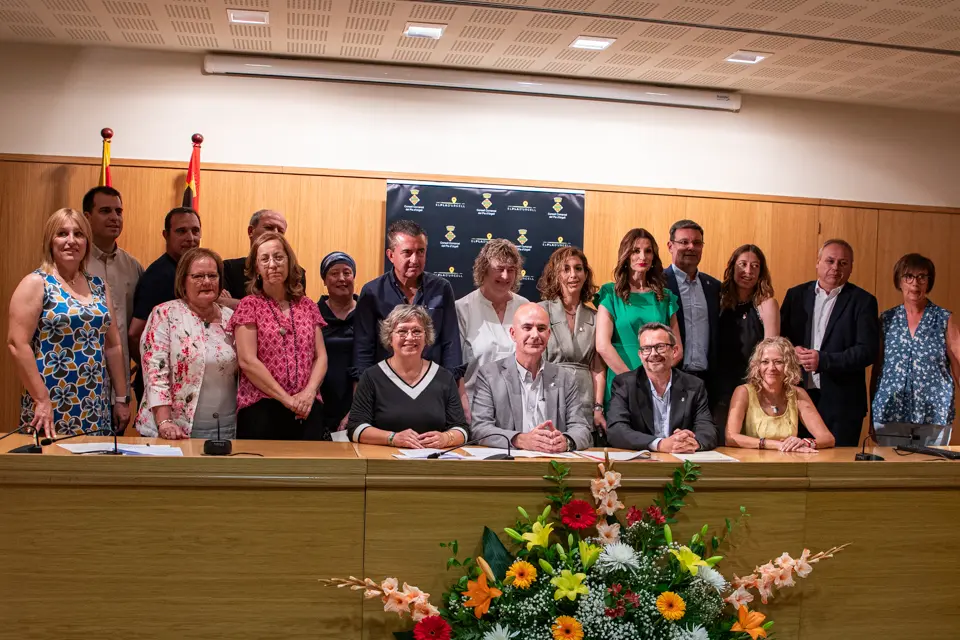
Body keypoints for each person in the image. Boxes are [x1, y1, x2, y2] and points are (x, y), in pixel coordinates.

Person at [7, 209, 130, 437]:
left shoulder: (99, 286)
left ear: (87, 241)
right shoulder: (37, 282)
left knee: (94, 469)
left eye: (79, 234)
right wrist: (41, 399)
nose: (71, 241)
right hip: (49, 402)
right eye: (62, 233)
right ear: (50, 241)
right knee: (51, 470)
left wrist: (122, 398)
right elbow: (17, 344)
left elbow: (112, 345)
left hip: (95, 403)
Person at [228, 232, 328, 440]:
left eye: (278, 257)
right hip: (262, 408)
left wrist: (309, 393)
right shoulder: (249, 306)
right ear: (256, 268)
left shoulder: (307, 305)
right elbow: (247, 361)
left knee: (310, 471)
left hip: (306, 408)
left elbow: (321, 357)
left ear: (289, 262)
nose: (272, 264)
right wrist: (286, 400)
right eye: (264, 259)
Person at [780, 239, 879, 447]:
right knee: (795, 464)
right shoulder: (795, 295)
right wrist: (791, 351)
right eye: (830, 261)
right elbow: (780, 339)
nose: (835, 268)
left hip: (843, 404)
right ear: (818, 263)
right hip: (797, 399)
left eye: (843, 263)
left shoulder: (863, 301)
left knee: (838, 470)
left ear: (851, 267)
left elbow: (867, 351)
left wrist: (823, 360)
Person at [135, 248, 237, 440]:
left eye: (212, 276)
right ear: (183, 280)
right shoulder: (164, 314)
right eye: (198, 276)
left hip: (224, 427)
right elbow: (155, 373)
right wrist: (165, 422)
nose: (206, 281)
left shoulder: (231, 318)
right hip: (172, 429)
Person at [470, 303, 593, 452]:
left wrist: (566, 442)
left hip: (554, 463)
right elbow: (480, 429)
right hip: (509, 466)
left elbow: (581, 429)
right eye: (527, 328)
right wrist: (521, 440)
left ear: (549, 335)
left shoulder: (565, 378)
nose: (535, 335)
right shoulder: (489, 375)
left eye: (541, 329)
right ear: (513, 333)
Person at [353, 219, 461, 385]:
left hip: (433, 385)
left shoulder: (442, 289)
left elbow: (451, 343)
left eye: (420, 252)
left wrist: (453, 390)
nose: (415, 260)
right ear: (391, 255)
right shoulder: (372, 292)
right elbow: (363, 347)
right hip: (386, 385)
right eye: (407, 252)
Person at [346, 305, 468, 448]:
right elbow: (355, 428)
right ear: (390, 338)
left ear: (427, 337)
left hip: (432, 463)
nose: (410, 337)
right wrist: (392, 438)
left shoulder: (444, 377)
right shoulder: (371, 376)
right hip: (383, 462)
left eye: (417, 331)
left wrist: (446, 438)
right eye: (402, 331)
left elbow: (462, 429)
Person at [871, 254, 960, 447]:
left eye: (922, 277)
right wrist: (872, 413)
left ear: (929, 282)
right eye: (908, 276)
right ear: (899, 281)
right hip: (890, 412)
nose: (915, 283)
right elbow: (878, 369)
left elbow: (958, 363)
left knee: (929, 474)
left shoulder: (943, 318)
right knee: (891, 473)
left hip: (934, 413)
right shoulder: (887, 319)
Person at [595, 228, 682, 408]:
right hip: (621, 381)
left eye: (648, 251)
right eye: (636, 251)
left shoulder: (665, 297)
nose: (642, 256)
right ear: (626, 255)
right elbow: (603, 345)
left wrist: (655, 380)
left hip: (659, 385)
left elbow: (677, 349)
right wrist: (633, 382)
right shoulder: (610, 294)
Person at [606, 322, 717, 453]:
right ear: (640, 355)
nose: (653, 353)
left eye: (660, 347)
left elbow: (707, 428)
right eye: (646, 348)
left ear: (674, 351)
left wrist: (694, 443)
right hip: (642, 462)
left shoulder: (694, 385)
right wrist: (659, 444)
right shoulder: (624, 384)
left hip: (682, 459)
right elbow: (616, 430)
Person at [129, 206, 201, 400]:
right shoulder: (158, 276)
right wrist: (153, 367)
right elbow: (135, 334)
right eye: (181, 231)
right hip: (162, 385)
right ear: (165, 235)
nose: (190, 237)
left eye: (195, 231)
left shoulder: (188, 271)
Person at [82, 186, 143, 412]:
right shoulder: (74, 265)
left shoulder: (133, 267)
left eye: (119, 211)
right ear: (87, 217)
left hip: (119, 389)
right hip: (81, 381)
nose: (114, 217)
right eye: (105, 211)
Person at [536, 246, 606, 431]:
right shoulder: (541, 311)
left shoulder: (596, 317)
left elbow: (598, 368)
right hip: (546, 395)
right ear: (555, 275)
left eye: (578, 268)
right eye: (565, 269)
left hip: (584, 399)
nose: (573, 275)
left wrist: (598, 407)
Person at [725, 337, 836, 451]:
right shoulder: (743, 392)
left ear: (789, 365)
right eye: (765, 362)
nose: (771, 368)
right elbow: (730, 437)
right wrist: (776, 445)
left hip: (789, 463)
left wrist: (805, 443)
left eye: (778, 362)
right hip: (752, 464)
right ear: (757, 366)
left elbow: (828, 438)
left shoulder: (798, 394)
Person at [457, 239, 528, 408]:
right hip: (475, 406)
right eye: (499, 269)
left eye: (511, 270)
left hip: (518, 406)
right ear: (484, 269)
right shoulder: (462, 308)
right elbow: (454, 366)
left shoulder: (524, 307)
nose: (505, 276)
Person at [713, 245, 780, 427]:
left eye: (755, 266)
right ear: (733, 266)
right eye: (743, 264)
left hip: (751, 384)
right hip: (718, 384)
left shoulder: (766, 304)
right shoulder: (719, 300)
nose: (748, 271)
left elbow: (771, 352)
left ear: (761, 271)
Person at [664, 220, 720, 385]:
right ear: (670, 246)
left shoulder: (714, 287)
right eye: (684, 242)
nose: (691, 247)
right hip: (670, 377)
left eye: (697, 243)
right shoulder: (657, 284)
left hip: (708, 381)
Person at [219, 209, 305, 309]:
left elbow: (298, 311)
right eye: (269, 228)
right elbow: (219, 304)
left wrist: (240, 305)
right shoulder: (228, 268)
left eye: (280, 231)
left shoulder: (296, 272)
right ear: (251, 231)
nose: (275, 234)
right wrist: (275, 308)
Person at [318, 251, 358, 435]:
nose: (341, 278)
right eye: (334, 273)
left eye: (347, 272)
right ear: (325, 280)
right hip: (319, 400)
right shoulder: (313, 313)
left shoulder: (367, 313)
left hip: (358, 398)